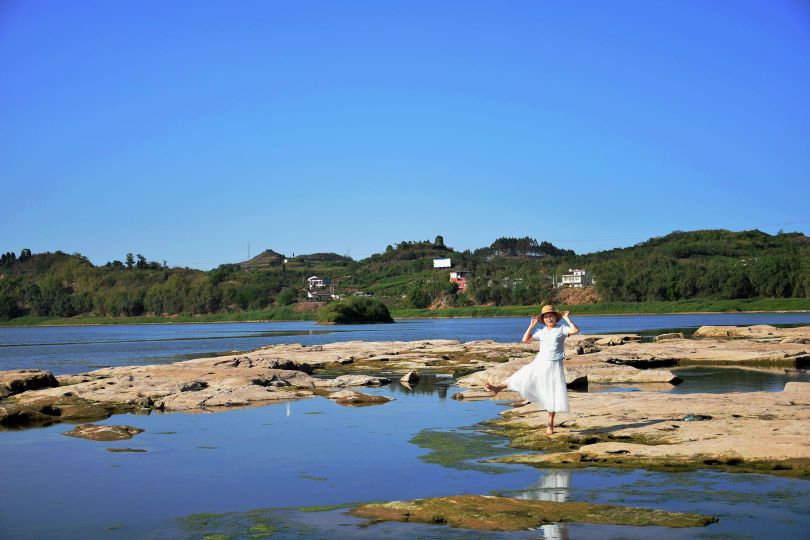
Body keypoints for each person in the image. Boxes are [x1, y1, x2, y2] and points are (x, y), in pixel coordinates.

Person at [485, 304, 579, 435]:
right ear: (543, 319)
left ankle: (550, 425)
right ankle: (498, 388)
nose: (549, 319)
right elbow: (525, 340)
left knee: (553, 395)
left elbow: (575, 331)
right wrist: (532, 325)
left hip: (554, 365)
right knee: (521, 375)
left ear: (556, 318)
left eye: (551, 316)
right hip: (540, 362)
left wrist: (567, 318)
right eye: (546, 317)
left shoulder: (562, 329)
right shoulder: (541, 331)